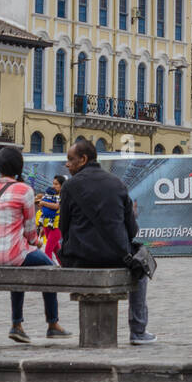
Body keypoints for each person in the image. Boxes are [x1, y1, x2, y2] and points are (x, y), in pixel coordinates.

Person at [57, 136, 155, 345]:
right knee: (141, 270)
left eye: (70, 159)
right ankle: (138, 331)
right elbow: (132, 229)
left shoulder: (69, 187)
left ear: (83, 159)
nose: (67, 163)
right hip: (114, 257)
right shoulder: (117, 183)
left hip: (79, 259)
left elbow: (63, 227)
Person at [0, 147, 70, 344]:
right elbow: (30, 231)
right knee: (49, 267)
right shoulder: (24, 190)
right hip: (12, 254)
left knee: (19, 265)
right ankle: (52, 324)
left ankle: (17, 324)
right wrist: (37, 242)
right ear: (19, 167)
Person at [39, 175, 64, 261]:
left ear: (62, 185)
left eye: (56, 184)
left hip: (56, 226)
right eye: (53, 183)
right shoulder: (49, 194)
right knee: (56, 250)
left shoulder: (63, 195)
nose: (53, 186)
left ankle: (48, 270)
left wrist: (43, 203)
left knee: (47, 250)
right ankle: (63, 266)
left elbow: (57, 206)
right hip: (46, 225)